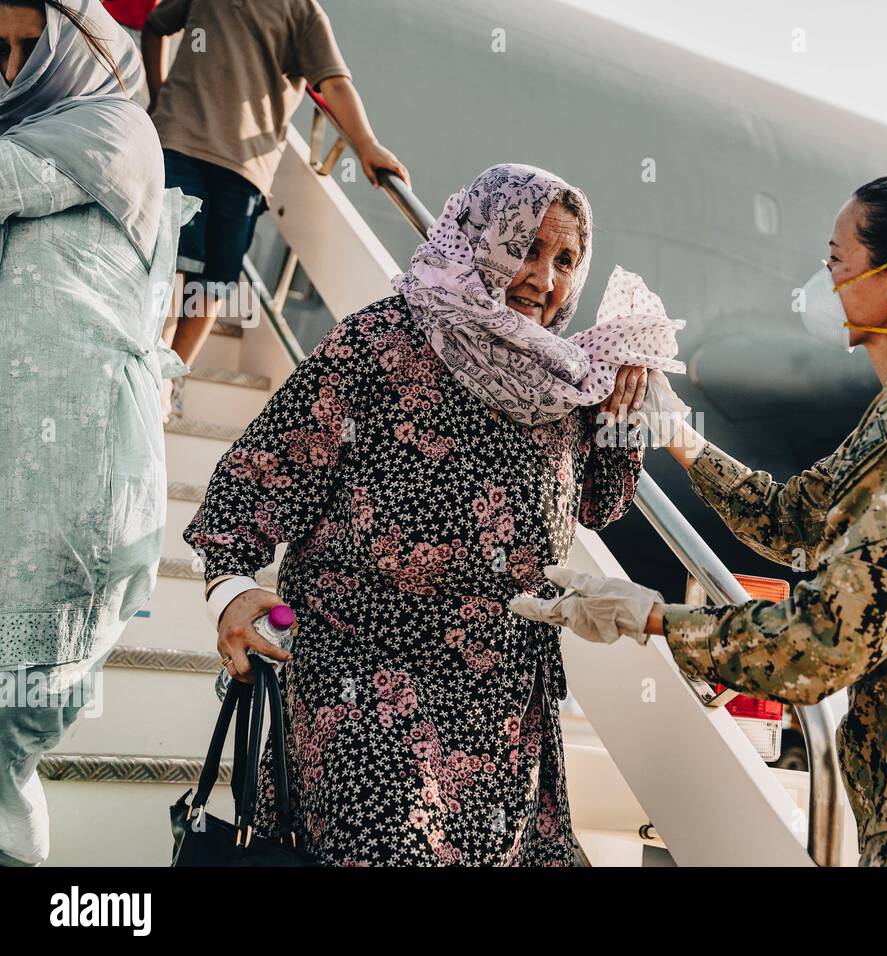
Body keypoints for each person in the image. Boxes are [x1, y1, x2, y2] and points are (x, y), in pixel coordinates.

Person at [511, 173, 887, 867]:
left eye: (838, 259)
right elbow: (793, 521)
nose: (826, 280)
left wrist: (650, 618)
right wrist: (681, 435)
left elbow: (823, 643)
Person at [183, 164, 686, 865]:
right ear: (480, 241)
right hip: (364, 674)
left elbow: (600, 506)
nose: (544, 279)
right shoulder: (384, 341)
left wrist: (623, 404)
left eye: (566, 260)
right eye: (525, 248)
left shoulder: (565, 381)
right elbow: (258, 473)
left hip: (498, 701)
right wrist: (231, 590)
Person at [0, 0, 192, 866]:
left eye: (28, 45)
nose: (11, 68)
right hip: (22, 467)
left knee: (13, 725)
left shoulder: (114, 128)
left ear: (78, 46)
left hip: (76, 478)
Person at [140, 0, 409, 418]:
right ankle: (149, 377)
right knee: (172, 265)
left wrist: (366, 145)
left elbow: (335, 85)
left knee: (213, 284)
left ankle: (171, 377)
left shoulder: (303, 14)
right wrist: (159, 98)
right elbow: (156, 26)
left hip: (245, 168)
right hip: (179, 143)